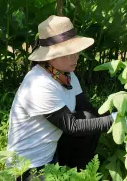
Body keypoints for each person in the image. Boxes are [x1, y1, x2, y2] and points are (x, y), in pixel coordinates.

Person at [6, 15, 117, 181]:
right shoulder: (39, 83)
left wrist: (116, 113)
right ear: (49, 56)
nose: (75, 56)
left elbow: (86, 108)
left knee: (88, 117)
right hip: (27, 167)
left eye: (75, 51)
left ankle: (78, 172)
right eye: (68, 53)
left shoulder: (66, 75)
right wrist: (114, 119)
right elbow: (72, 126)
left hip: (53, 154)